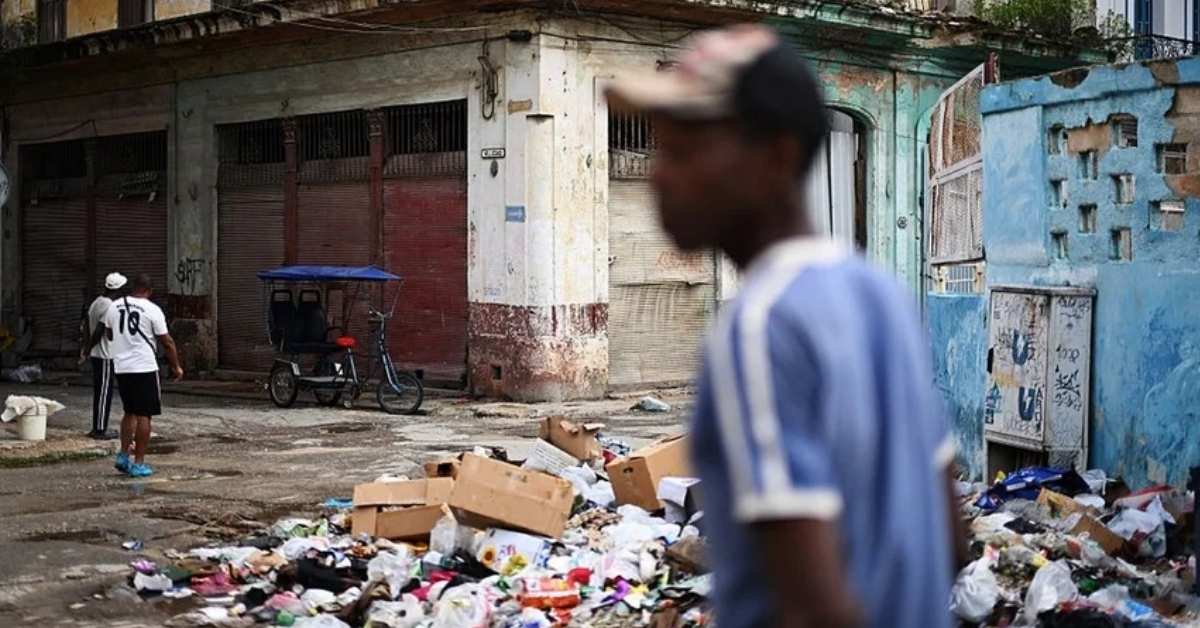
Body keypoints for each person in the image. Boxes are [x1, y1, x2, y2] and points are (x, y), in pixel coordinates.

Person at [608, 25, 966, 628]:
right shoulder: (880, 293)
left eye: (685, 152)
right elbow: (951, 542)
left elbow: (812, 609)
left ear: (775, 154)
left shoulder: (758, 328)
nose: (659, 177)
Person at [98, 273, 184, 478]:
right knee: (145, 415)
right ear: (149, 291)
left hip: (121, 366)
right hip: (144, 366)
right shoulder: (152, 309)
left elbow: (109, 333)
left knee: (129, 412)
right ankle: (138, 463)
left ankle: (122, 456)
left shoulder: (114, 306)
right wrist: (176, 367)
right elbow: (167, 342)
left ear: (132, 288)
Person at [79, 272, 126, 440]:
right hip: (105, 355)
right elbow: (101, 331)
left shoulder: (96, 303)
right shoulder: (109, 306)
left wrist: (86, 348)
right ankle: (99, 429)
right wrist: (88, 348)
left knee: (101, 391)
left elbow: (86, 326)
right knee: (104, 393)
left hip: (97, 354)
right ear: (118, 289)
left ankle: (98, 426)